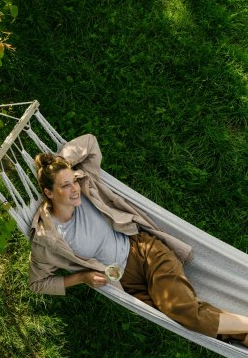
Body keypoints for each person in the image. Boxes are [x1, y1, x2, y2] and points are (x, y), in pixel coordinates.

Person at [30, 133, 248, 345]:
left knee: (182, 310)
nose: (74, 189)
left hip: (144, 252)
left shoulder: (87, 187)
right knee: (185, 319)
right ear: (48, 193)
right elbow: (37, 284)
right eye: (65, 185)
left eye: (73, 181)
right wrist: (82, 278)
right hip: (126, 284)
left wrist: (62, 164)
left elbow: (89, 142)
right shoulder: (47, 238)